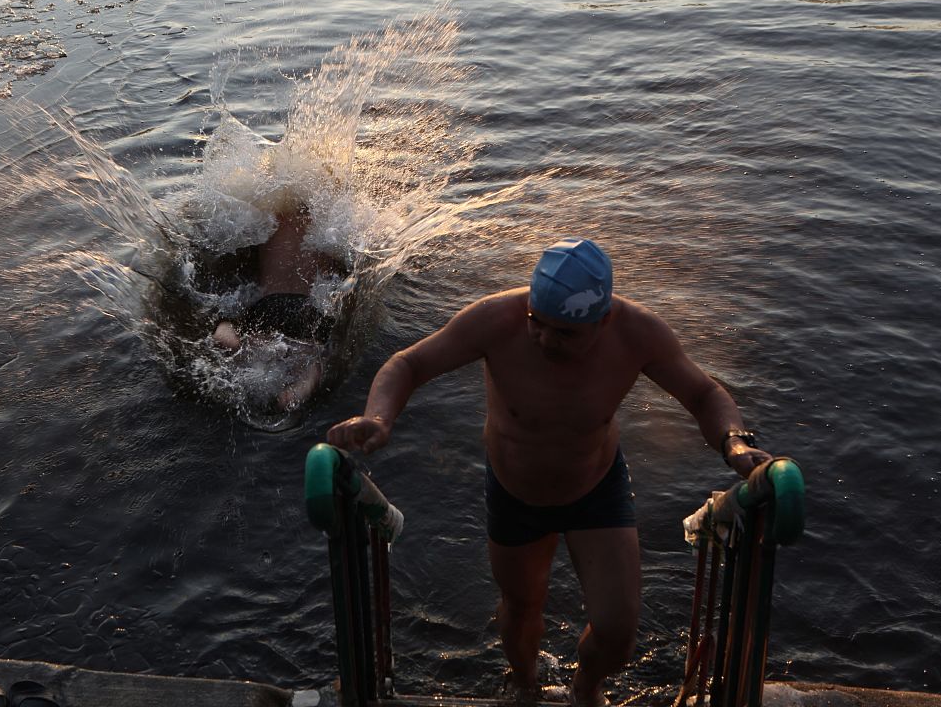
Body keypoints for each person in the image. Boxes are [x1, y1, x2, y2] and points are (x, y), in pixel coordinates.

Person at [327, 237, 773, 706]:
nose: (544, 340)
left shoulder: (639, 334)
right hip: (514, 494)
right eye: (537, 324)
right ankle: (524, 682)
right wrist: (378, 418)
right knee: (521, 610)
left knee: (619, 632)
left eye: (564, 333)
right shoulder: (496, 320)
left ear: (603, 320)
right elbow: (409, 363)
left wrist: (734, 441)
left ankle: (586, 686)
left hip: (596, 491)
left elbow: (704, 393)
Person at [213, 204, 338, 409]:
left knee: (234, 329)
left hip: (267, 306)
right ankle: (307, 376)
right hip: (308, 308)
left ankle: (234, 340)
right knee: (310, 350)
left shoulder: (271, 215)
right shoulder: (329, 225)